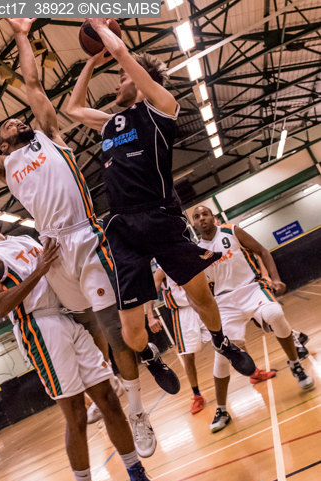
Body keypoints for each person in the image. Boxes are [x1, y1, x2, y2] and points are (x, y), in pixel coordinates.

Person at [0, 18, 181, 459]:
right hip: (53, 252)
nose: (14, 120)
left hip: (85, 237)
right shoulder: (3, 167)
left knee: (113, 328)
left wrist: (21, 35)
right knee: (88, 327)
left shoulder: (49, 137)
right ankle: (130, 364)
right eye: (5, 126)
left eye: (17, 118)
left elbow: (32, 83)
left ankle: (137, 408)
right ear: (1, 145)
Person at [64, 19, 257, 391]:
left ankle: (221, 341)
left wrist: (103, 31)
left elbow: (123, 52)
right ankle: (151, 356)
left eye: (122, 77)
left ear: (140, 81)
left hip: (161, 215)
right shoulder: (109, 124)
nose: (116, 84)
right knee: (131, 331)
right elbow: (73, 108)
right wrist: (90, 61)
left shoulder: (162, 109)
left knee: (200, 295)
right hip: (122, 226)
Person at [0, 209, 179, 481]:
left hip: (68, 317)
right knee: (75, 414)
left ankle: (138, 478)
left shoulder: (25, 239)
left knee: (108, 399)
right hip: (38, 327)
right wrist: (39, 270)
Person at [192, 206, 315, 429]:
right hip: (224, 303)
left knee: (274, 313)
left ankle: (295, 365)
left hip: (251, 288)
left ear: (213, 217)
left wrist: (275, 279)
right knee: (222, 356)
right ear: (194, 224)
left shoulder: (232, 231)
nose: (202, 219)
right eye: (197, 217)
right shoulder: (195, 251)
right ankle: (222, 410)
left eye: (205, 214)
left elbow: (263, 251)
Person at [149, 267, 276, 420]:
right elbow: (151, 291)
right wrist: (150, 317)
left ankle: (254, 372)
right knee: (188, 355)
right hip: (183, 313)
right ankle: (197, 396)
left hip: (202, 303)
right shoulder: (162, 270)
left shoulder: (188, 256)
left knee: (230, 338)